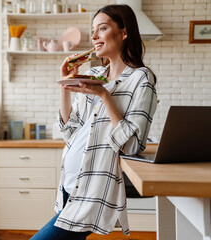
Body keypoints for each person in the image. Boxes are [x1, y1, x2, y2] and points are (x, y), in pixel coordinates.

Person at [30, 4, 157, 240]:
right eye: (93, 30)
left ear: (124, 32)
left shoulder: (141, 78)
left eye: (102, 28)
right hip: (69, 184)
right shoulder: (94, 74)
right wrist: (66, 84)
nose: (94, 36)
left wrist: (104, 96)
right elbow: (70, 131)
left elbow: (131, 146)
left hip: (93, 188)